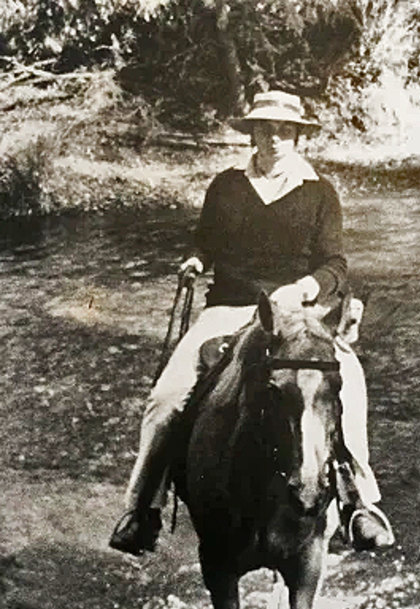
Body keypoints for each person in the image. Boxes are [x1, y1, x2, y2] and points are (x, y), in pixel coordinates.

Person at [109, 90, 394, 556]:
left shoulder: (320, 192)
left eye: (285, 130)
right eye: (266, 129)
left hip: (298, 316)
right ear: (253, 134)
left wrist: (305, 288)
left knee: (350, 381)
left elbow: (335, 265)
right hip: (230, 308)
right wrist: (196, 261)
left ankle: (358, 503)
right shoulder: (226, 185)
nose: (275, 138)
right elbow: (206, 242)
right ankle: (142, 509)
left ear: (299, 136)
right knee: (166, 397)